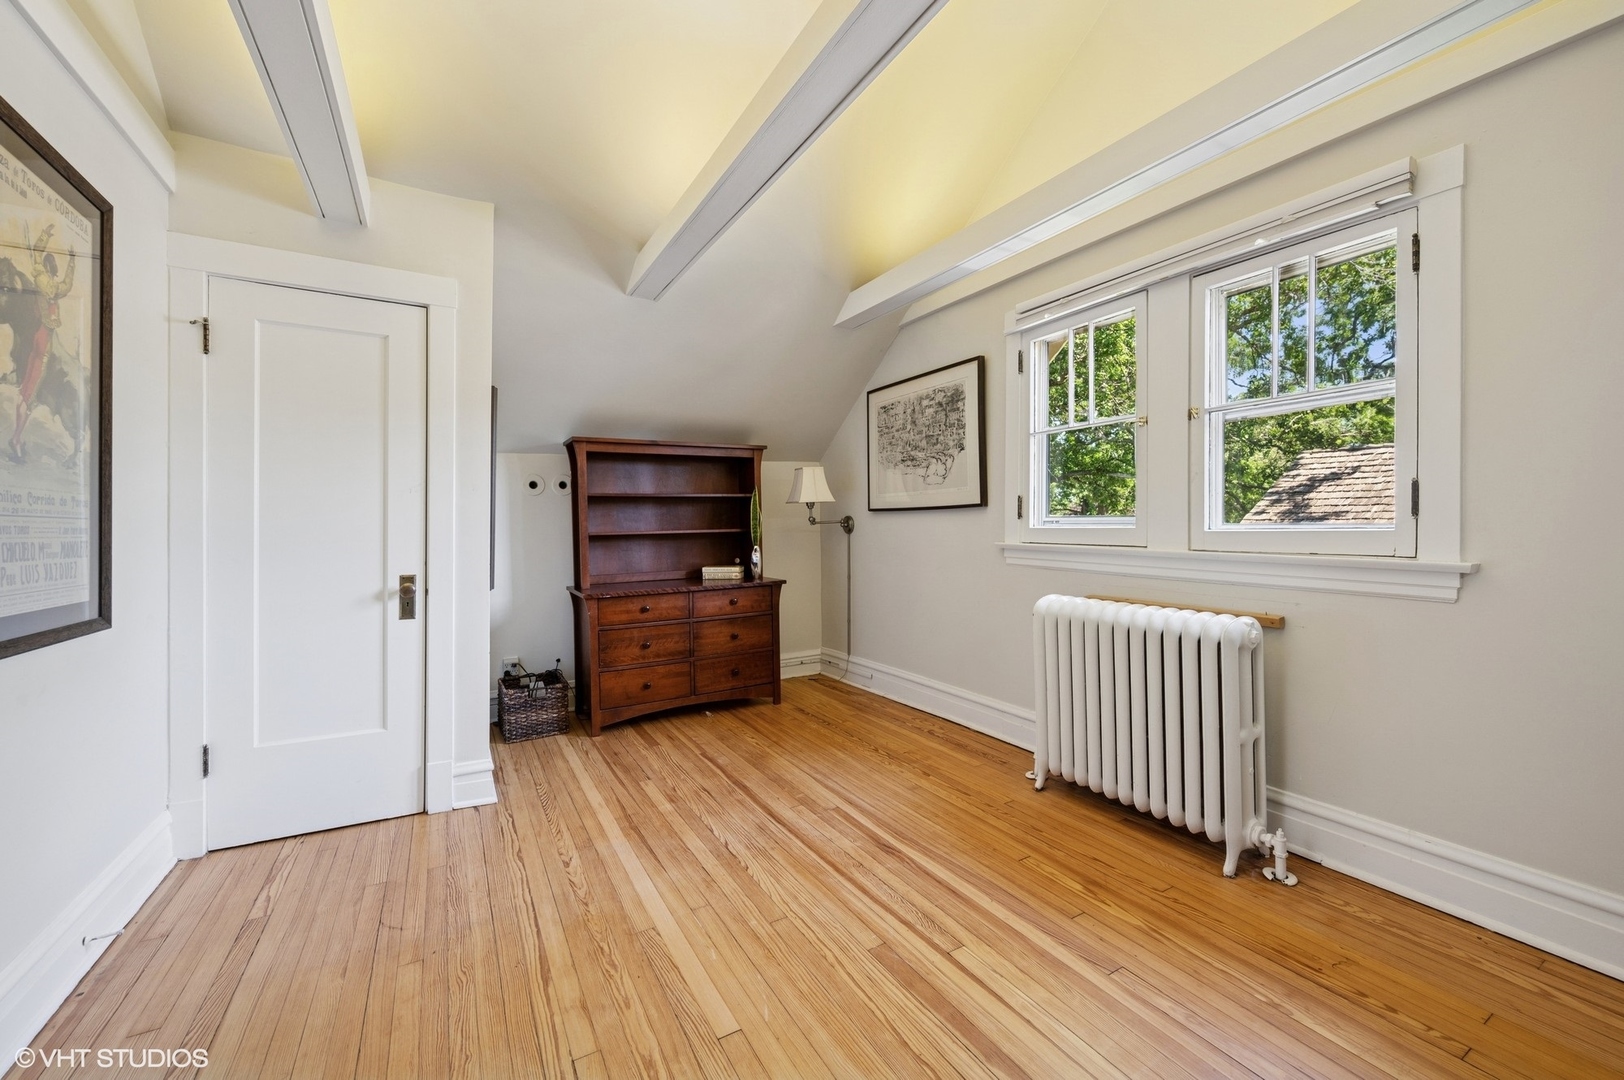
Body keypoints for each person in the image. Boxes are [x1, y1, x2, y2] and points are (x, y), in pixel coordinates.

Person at [7, 222, 74, 462]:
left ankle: (17, 434)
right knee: (31, 394)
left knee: (25, 389)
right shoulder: (56, 287)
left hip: (36, 336)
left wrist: (45, 234)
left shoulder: (39, 276)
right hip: (45, 341)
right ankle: (16, 438)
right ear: (54, 269)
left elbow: (36, 253)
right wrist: (72, 262)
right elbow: (68, 284)